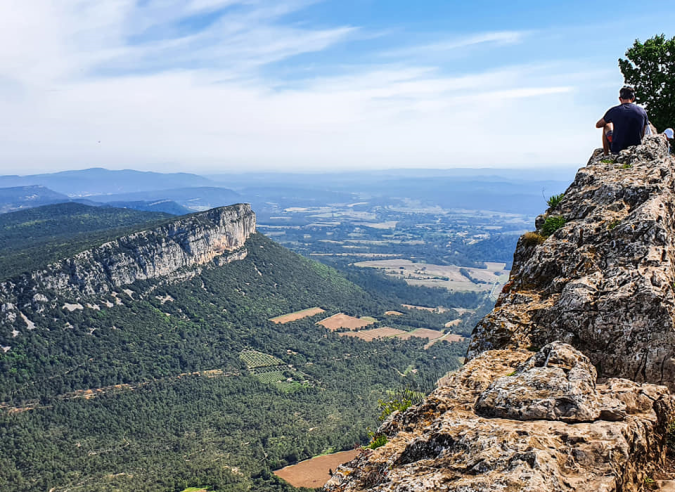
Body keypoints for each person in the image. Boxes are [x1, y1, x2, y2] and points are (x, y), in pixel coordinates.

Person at [596, 86, 650, 155]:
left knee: (606, 124)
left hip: (617, 149)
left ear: (620, 99)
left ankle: (606, 155)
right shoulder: (642, 111)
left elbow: (598, 125)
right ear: (633, 98)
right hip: (636, 148)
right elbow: (644, 131)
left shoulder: (614, 110)